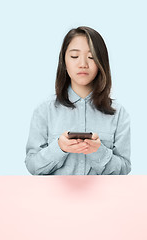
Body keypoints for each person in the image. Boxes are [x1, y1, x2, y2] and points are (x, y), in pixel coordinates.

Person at [25, 26, 131, 175]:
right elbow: (32, 166)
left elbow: (124, 169)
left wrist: (98, 151)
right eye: (74, 56)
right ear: (64, 61)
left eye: (92, 57)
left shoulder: (118, 114)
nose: (83, 64)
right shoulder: (44, 111)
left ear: (101, 62)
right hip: (54, 198)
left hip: (103, 198)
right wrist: (59, 148)